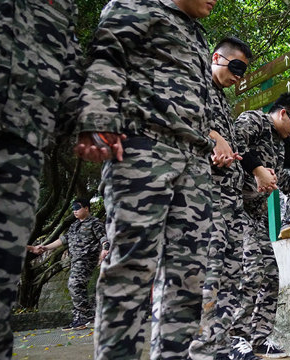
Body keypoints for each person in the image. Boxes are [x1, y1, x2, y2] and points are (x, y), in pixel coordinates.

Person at [74, 0, 220, 358]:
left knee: (189, 278)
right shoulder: (135, 6)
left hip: (195, 163)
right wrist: (97, 121)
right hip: (143, 150)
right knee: (131, 270)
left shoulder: (196, 34)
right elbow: (106, 61)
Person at [0, 0, 83, 357]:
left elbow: (70, 69)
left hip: (21, 145)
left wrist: (90, 125)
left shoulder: (65, 5)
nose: (76, 211)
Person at [188, 36, 252, 360]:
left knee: (232, 275)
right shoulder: (194, 83)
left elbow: (230, 147)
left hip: (231, 202)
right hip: (206, 200)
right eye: (236, 67)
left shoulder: (223, 100)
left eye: (243, 71)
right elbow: (183, 123)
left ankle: (220, 346)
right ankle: (200, 350)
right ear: (217, 57)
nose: (239, 76)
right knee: (209, 275)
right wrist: (212, 138)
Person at [230, 93, 290, 359]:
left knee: (271, 275)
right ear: (282, 113)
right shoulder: (255, 120)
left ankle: (259, 338)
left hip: (255, 214)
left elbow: (287, 181)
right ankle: (234, 338)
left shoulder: (279, 143)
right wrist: (257, 170)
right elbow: (233, 143)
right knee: (251, 270)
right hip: (233, 208)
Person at [33, 199, 108, 331]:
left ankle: (86, 315)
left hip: (86, 259)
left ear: (86, 208)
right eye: (73, 208)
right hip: (75, 260)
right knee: (77, 287)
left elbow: (103, 237)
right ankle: (80, 318)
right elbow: (63, 240)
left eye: (77, 208)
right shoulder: (74, 226)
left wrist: (105, 248)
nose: (75, 210)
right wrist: (45, 247)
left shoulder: (94, 223)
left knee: (74, 284)